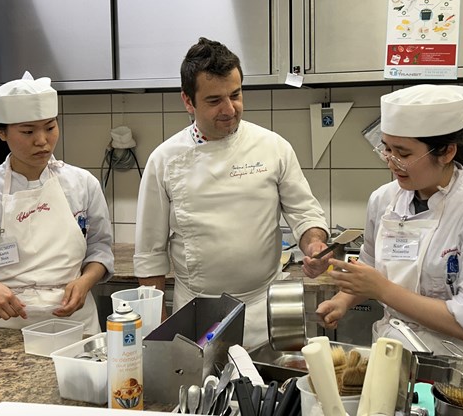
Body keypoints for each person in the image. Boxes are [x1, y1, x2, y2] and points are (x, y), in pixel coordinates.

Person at [134, 37, 330, 349]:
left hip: (264, 310)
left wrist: (314, 244)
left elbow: (305, 214)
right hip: (197, 312)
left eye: (235, 95)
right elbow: (150, 254)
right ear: (188, 101)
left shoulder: (273, 147)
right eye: (214, 100)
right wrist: (159, 329)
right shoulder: (165, 160)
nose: (229, 109)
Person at [304, 84, 463, 365]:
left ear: (446, 152)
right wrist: (342, 301)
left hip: (459, 367)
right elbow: (370, 265)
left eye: (403, 154)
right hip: (392, 356)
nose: (392, 163)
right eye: (386, 149)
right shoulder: (384, 200)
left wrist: (382, 290)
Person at [0, 73, 114, 334]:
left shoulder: (82, 184)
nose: (42, 140)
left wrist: (86, 281)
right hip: (4, 329)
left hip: (75, 325)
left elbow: (100, 249)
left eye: (50, 127)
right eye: (28, 131)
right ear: (0, 131)